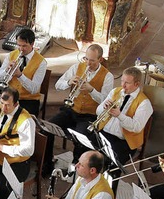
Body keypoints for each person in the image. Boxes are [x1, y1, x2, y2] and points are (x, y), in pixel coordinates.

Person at [42, 44, 114, 174]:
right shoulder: (76, 67)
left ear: (100, 60)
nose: (88, 63)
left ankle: (75, 169)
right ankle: (47, 164)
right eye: (86, 59)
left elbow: (104, 101)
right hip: (71, 110)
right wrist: (69, 82)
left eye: (92, 60)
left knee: (81, 139)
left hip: (89, 115)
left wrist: (91, 90)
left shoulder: (107, 76)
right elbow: (58, 85)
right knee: (47, 129)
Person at [78, 66, 153, 169]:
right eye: (122, 81)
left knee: (108, 163)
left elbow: (136, 127)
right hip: (105, 133)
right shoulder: (115, 92)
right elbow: (98, 111)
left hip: (125, 141)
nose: (123, 85)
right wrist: (104, 108)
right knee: (82, 145)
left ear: (137, 84)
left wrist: (119, 115)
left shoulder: (144, 103)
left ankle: (108, 182)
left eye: (127, 83)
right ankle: (81, 174)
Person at [0, 28, 47, 133]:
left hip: (28, 100)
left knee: (16, 122)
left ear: (32, 44)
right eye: (19, 45)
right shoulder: (12, 55)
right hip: (9, 96)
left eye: (24, 46)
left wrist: (20, 75)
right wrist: (6, 70)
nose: (21, 49)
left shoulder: (41, 62)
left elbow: (34, 89)